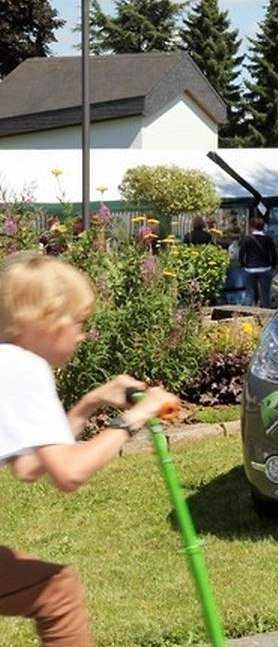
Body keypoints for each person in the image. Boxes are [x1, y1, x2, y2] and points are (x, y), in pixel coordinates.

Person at [0, 252, 178, 646]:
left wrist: (90, 403)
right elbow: (69, 474)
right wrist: (136, 417)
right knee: (57, 591)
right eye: (78, 322)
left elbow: (28, 467)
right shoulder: (22, 368)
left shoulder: (6, 361)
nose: (82, 336)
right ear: (46, 320)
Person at [239, 215, 278, 306]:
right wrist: (273, 266)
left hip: (250, 268)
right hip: (265, 268)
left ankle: (246, 311)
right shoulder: (268, 239)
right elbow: (274, 254)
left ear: (251, 227)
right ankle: (265, 311)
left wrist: (243, 265)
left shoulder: (247, 239)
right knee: (265, 294)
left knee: (249, 294)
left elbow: (241, 254)